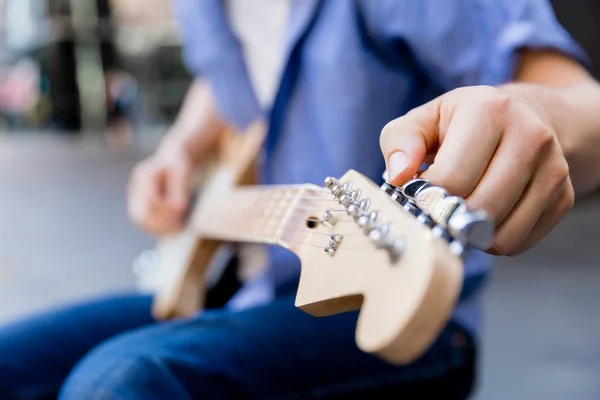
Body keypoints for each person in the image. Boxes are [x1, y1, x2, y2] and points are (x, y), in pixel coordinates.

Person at [2, 0, 600, 399]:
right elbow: (230, 79)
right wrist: (179, 152)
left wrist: (543, 116)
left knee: (121, 382)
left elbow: (578, 99)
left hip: (384, 307)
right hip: (235, 285)